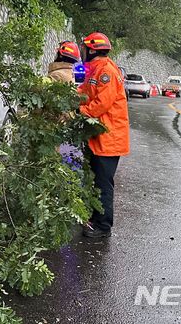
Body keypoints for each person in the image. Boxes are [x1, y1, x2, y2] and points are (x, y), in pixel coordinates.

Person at [78, 32, 130, 238]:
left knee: (103, 183)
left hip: (109, 138)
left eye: (84, 49)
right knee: (95, 179)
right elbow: (85, 92)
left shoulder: (106, 71)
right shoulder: (95, 70)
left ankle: (103, 226)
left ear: (92, 49)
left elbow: (101, 104)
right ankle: (94, 218)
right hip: (98, 137)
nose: (82, 52)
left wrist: (78, 111)